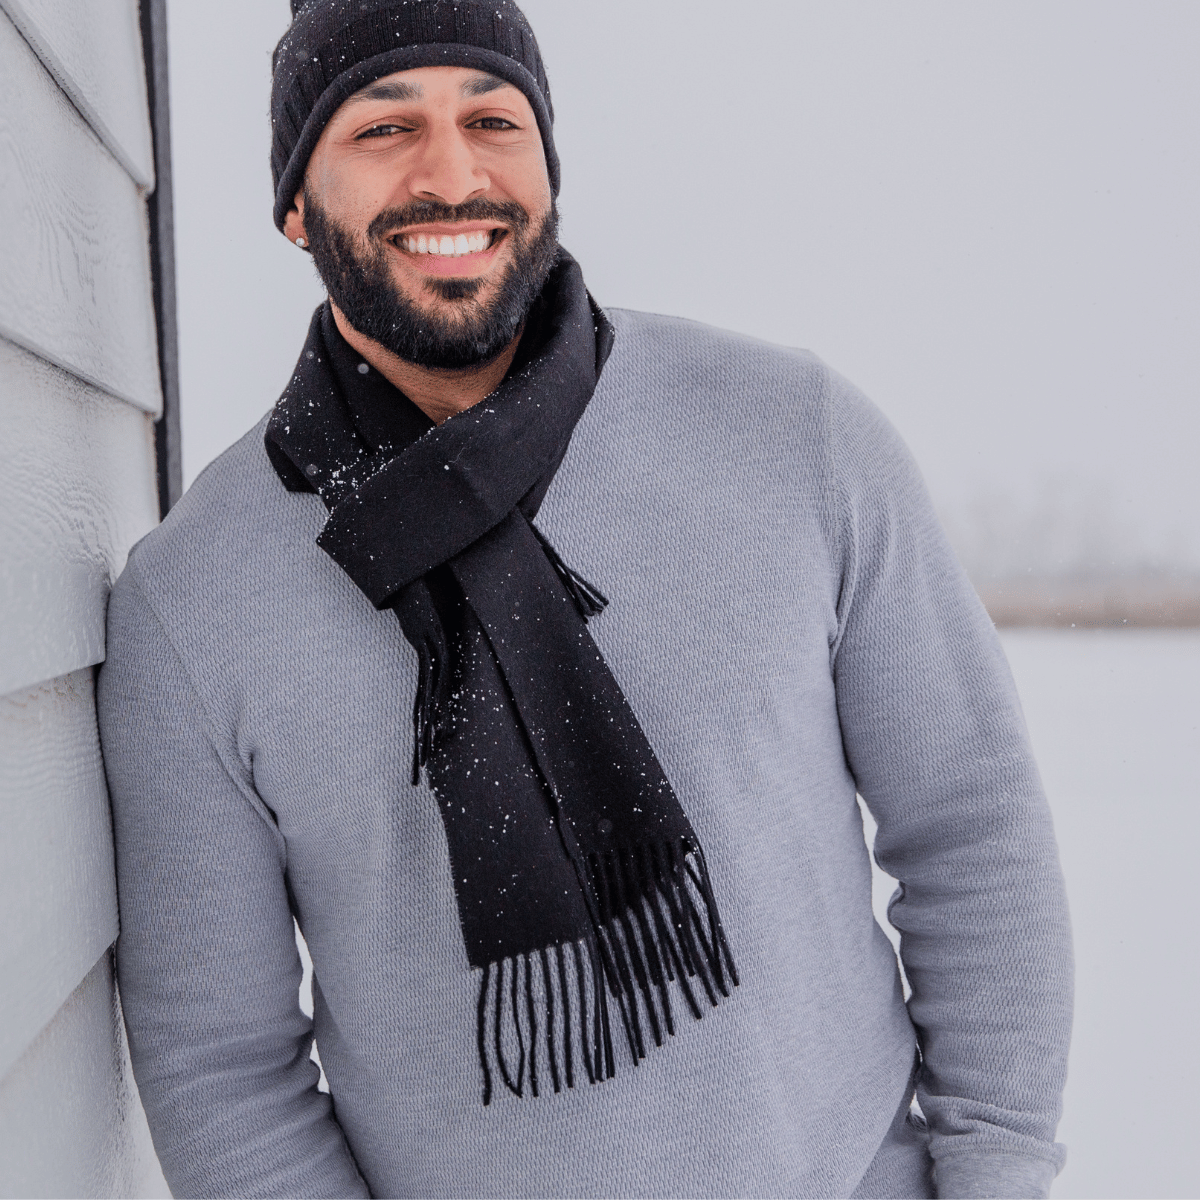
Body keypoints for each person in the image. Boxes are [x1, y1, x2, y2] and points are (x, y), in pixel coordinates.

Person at [97, 2, 1073, 1197]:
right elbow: (223, 1064)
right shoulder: (196, 600)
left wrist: (994, 1172)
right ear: (297, 201)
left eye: (492, 119)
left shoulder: (795, 440)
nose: (451, 172)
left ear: (547, 164)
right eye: (384, 127)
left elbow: (972, 827)